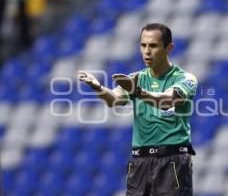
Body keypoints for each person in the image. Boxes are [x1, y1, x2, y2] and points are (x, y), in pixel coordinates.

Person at [78, 23, 198, 196]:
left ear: (169, 48)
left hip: (172, 161)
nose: (147, 51)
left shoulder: (186, 79)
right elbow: (115, 100)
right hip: (139, 161)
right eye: (143, 45)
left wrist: (138, 91)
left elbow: (167, 101)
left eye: (153, 45)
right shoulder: (137, 78)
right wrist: (98, 88)